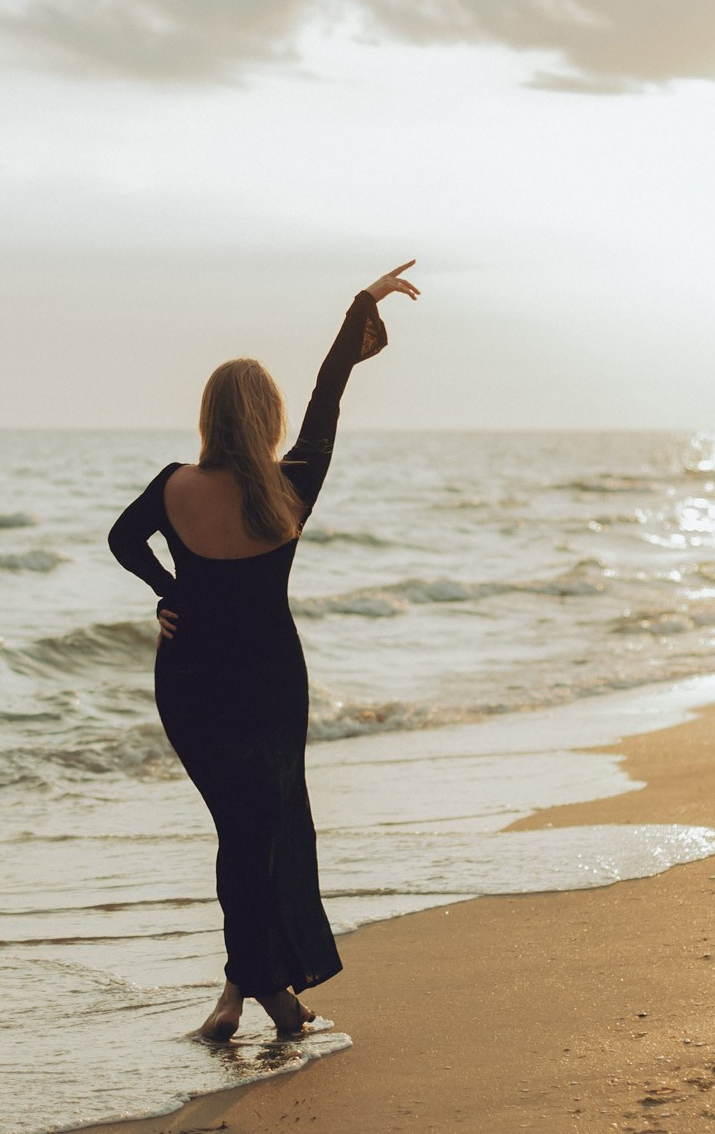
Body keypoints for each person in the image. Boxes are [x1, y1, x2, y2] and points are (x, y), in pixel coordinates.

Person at [105, 261, 422, 1042]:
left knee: (242, 833)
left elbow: (121, 538)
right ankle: (268, 997)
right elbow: (329, 395)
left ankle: (238, 995)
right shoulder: (293, 484)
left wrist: (167, 593)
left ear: (210, 415)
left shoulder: (174, 482)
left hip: (190, 678)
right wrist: (360, 310)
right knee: (264, 832)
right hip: (270, 679)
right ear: (269, 416)